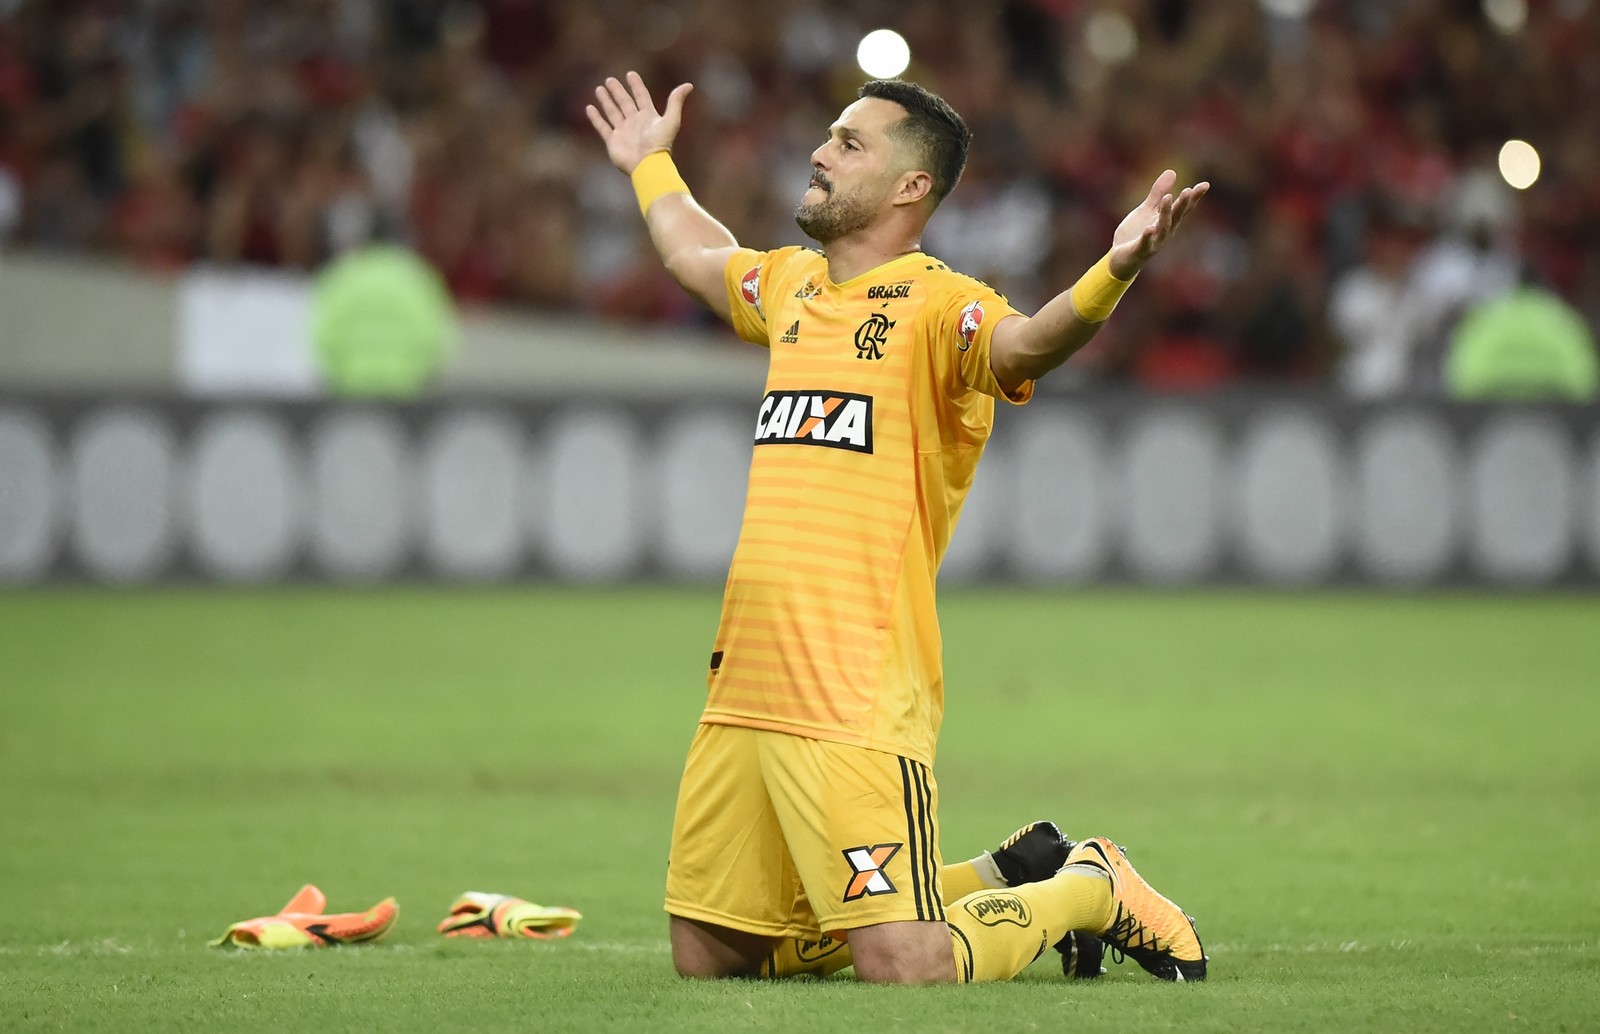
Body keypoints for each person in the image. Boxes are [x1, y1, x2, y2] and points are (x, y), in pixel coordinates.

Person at [587, 70, 1209, 985]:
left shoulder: (936, 306)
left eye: (849, 143)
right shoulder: (792, 288)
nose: (818, 152)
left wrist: (1115, 268)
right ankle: (1008, 873)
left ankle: (1089, 888)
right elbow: (695, 253)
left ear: (911, 187)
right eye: (828, 135)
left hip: (854, 691)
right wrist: (649, 165)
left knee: (905, 966)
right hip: (744, 682)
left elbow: (1025, 345)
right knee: (713, 957)